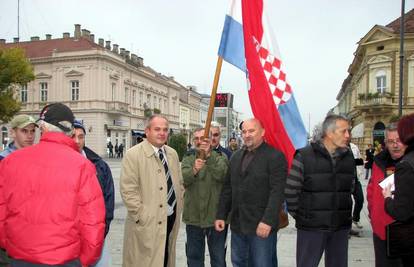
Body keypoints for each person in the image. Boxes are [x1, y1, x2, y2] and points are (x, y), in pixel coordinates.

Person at [0, 103, 105, 267]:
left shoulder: (10, 162)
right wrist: (85, 260)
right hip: (65, 258)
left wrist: (8, 243)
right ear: (70, 131)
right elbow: (93, 221)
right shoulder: (82, 165)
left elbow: (2, 208)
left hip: (20, 255)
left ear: (42, 127)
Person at [215, 118, 287, 267]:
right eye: (244, 131)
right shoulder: (235, 157)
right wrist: (221, 215)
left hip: (261, 226)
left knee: (262, 263)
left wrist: (267, 221)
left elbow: (277, 193)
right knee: (239, 262)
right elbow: (228, 188)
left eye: (251, 131)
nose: (247, 135)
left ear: (262, 132)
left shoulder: (275, 157)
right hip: (238, 225)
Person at [285, 114, 355, 267]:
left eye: (348, 131)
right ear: (329, 133)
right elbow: (291, 192)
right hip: (312, 229)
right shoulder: (304, 156)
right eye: (344, 131)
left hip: (340, 227)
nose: (348, 135)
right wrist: (305, 217)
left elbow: (350, 187)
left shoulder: (348, 156)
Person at [120, 114, 183, 267]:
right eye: (157, 129)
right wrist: (142, 216)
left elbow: (179, 183)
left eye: (165, 130)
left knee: (165, 257)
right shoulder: (133, 155)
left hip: (170, 220)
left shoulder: (172, 154)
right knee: (145, 261)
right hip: (146, 223)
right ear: (147, 131)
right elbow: (128, 191)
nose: (162, 133)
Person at [181, 128, 228, 267]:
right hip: (193, 218)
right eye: (196, 138)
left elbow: (222, 175)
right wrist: (194, 169)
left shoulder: (220, 156)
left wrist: (209, 157)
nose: (199, 141)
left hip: (215, 218)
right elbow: (184, 179)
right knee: (194, 258)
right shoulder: (188, 157)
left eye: (202, 138)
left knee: (218, 259)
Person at [73, 120, 115, 267]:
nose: (77, 141)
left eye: (81, 136)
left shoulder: (99, 165)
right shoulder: (59, 164)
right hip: (70, 238)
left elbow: (108, 201)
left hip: (96, 236)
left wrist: (102, 231)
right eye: (73, 136)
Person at [0, 114, 38, 265]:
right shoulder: (3, 160)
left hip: (33, 232)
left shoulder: (38, 157)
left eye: (32, 131)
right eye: (24, 131)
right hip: (10, 234)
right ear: (13, 133)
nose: (29, 136)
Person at [367, 123, 405, 267]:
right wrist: (373, 214)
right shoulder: (379, 162)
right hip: (382, 231)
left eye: (399, 140)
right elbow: (371, 190)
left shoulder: (410, 163)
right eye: (390, 141)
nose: (395, 145)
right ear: (385, 143)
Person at [383, 113, 414, 267]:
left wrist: (388, 198)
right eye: (390, 141)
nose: (395, 145)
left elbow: (402, 212)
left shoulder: (406, 165)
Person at [349, 141, 365, 233]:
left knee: (360, 199)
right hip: (345, 179)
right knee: (347, 203)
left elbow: (359, 159)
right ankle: (347, 226)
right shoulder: (338, 146)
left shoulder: (354, 147)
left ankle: (355, 218)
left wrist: (360, 172)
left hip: (355, 178)